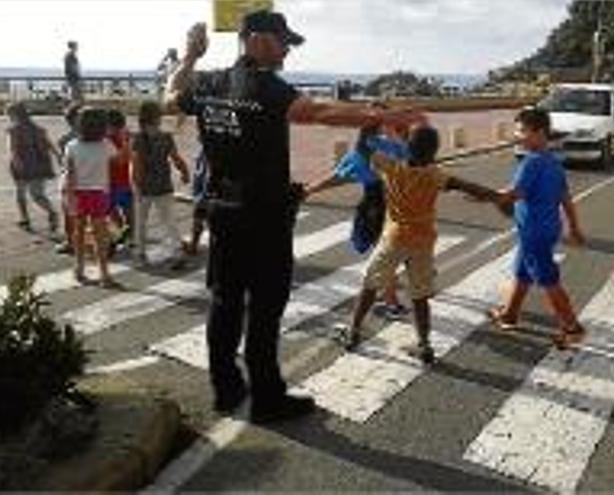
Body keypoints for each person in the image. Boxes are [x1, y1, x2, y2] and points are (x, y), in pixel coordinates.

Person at [164, 11, 425, 422]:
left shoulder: (208, 83)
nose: (287, 49)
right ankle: (267, 399)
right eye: (282, 41)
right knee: (266, 306)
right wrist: (382, 117)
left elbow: (169, 98)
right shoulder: (269, 88)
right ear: (254, 39)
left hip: (222, 211)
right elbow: (321, 112)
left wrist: (190, 57)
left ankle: (226, 391)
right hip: (264, 215)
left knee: (225, 301)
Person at [342, 124, 501, 363]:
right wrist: (498, 197)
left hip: (393, 238)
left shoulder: (392, 168)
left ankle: (353, 332)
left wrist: (370, 121)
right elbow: (469, 186)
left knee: (371, 284)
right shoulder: (435, 175)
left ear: (407, 148)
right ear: (434, 151)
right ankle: (424, 344)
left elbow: (362, 148)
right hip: (423, 241)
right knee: (419, 295)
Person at [486, 107, 586, 350]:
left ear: (540, 132)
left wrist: (480, 195)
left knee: (548, 279)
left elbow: (513, 194)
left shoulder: (531, 163)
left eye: (522, 130)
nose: (517, 135)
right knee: (522, 272)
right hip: (546, 227)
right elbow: (565, 197)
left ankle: (572, 328)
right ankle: (510, 315)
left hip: (535, 232)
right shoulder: (552, 161)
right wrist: (573, 227)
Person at [304, 107, 411, 319]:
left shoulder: (365, 151)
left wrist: (308, 190)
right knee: (392, 249)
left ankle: (392, 304)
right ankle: (400, 289)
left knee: (383, 254)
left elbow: (338, 177)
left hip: (375, 205)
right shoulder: (394, 146)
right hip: (398, 204)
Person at [130, 101, 190, 269]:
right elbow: (176, 158)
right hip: (164, 185)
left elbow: (137, 165)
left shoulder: (138, 139)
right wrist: (185, 172)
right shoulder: (166, 136)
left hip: (145, 188)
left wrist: (136, 185)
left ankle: (140, 253)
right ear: (158, 118)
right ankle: (177, 252)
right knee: (169, 221)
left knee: (141, 222)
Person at [64, 107, 119, 287]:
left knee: (78, 232)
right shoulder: (106, 145)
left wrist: (70, 195)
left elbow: (70, 173)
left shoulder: (71, 146)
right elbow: (118, 160)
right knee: (99, 234)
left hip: (78, 192)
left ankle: (79, 267)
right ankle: (104, 273)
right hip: (99, 193)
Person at [5, 102, 60, 233]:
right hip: (40, 164)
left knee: (21, 193)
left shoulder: (13, 130)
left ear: (13, 114)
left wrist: (15, 161)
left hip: (23, 164)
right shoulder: (37, 128)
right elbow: (49, 143)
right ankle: (51, 212)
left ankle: (25, 219)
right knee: (38, 194)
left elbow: (11, 148)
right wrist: (57, 156)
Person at [106, 108, 134, 254]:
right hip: (123, 183)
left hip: (114, 184)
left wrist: (125, 141)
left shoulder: (107, 140)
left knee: (113, 213)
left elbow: (122, 160)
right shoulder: (124, 138)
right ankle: (127, 236)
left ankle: (122, 236)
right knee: (124, 213)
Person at [55, 102, 82, 254]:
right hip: (93, 180)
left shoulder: (64, 140)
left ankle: (71, 242)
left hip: (70, 182)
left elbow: (62, 163)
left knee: (69, 214)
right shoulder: (98, 136)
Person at [183, 149, 209, 256]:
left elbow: (205, 175)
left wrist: (202, 194)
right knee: (198, 217)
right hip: (202, 192)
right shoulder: (204, 152)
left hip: (205, 193)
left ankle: (194, 245)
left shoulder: (208, 153)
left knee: (200, 217)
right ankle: (193, 245)